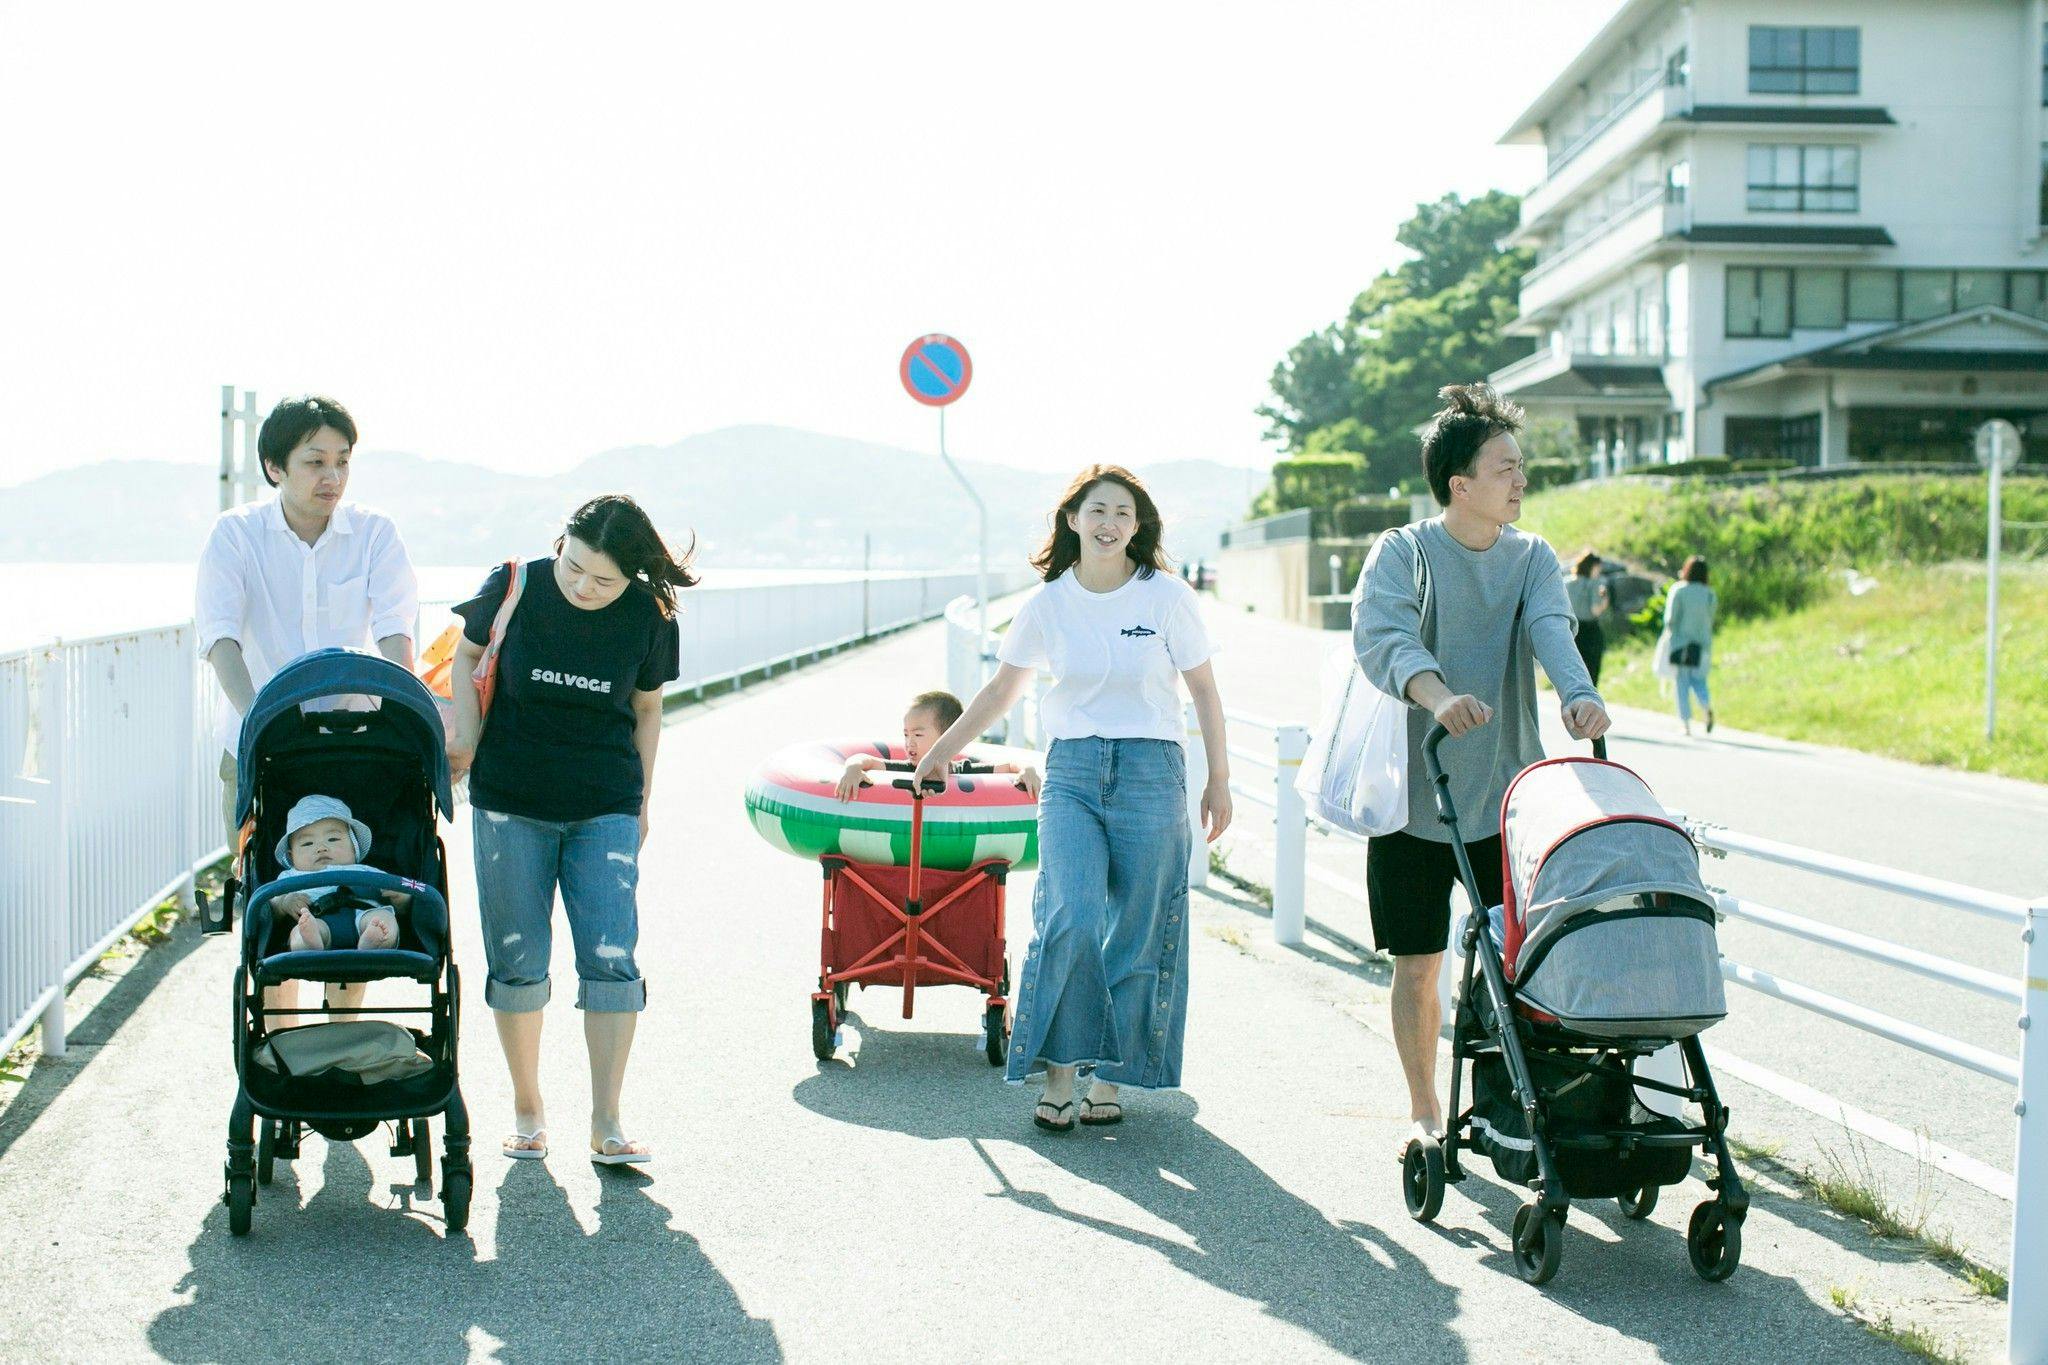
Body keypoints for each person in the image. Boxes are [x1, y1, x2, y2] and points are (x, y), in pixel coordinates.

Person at [912, 465, 1232, 1133]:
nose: (1109, 521)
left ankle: (1110, 1075)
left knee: (1141, 927)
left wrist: (1219, 779)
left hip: (1152, 768)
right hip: (1075, 773)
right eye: (1097, 510)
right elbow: (1003, 691)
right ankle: (1061, 1072)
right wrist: (942, 748)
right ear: (1073, 520)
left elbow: (1202, 689)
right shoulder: (1048, 603)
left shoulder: (1167, 598)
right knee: (1072, 915)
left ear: (1136, 526)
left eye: (1122, 511)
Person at [1353, 383, 1610, 1154]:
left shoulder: (1533, 558)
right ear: (1460, 482)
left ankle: (1516, 1104)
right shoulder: (1403, 552)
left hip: (1506, 800)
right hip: (1414, 798)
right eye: (1505, 468)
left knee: (1519, 962)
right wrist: (1436, 697)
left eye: (1520, 467)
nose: (1519, 480)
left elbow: (1551, 631)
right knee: (1418, 964)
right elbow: (1386, 638)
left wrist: (1580, 695)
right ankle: (1425, 1110)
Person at [447, 495, 690, 1166]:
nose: (584, 586)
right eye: (574, 566)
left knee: (612, 956)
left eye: (603, 580)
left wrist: (640, 801)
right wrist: (464, 734)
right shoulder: (514, 584)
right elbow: (464, 663)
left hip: (603, 802)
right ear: (560, 543)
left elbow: (647, 708)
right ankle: (528, 1108)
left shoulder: (648, 616)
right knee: (517, 960)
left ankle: (607, 1120)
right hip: (508, 801)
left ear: (633, 578)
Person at [195, 394, 418, 1015]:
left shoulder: (374, 533)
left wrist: (409, 713)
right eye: (316, 461)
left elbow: (397, 627)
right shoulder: (236, 535)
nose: (333, 477)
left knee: (355, 888)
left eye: (343, 462)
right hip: (259, 744)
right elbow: (220, 636)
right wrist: (260, 718)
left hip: (358, 744)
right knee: (275, 901)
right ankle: (283, 1043)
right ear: (275, 467)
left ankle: (341, 1040)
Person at [832, 689, 1041, 802]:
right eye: (906, 734)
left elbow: (1009, 766)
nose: (909, 742)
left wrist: (1028, 770)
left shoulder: (964, 772)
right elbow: (865, 760)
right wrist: (853, 768)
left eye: (918, 734)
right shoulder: (906, 770)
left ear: (949, 738)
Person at [269, 796, 410, 954]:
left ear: (354, 847)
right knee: (300, 931)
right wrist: (283, 903)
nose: (321, 848)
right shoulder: (290, 877)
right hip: (316, 919)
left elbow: (403, 895)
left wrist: (401, 899)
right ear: (291, 855)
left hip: (364, 916)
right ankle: (310, 943)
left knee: (384, 919)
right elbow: (270, 910)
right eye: (308, 843)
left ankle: (373, 941)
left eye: (333, 839)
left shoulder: (364, 871)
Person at [1665, 555, 1717, 736]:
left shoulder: (1679, 590)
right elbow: (1711, 618)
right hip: (1702, 645)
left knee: (1681, 683)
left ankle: (1685, 723)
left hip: (1681, 644)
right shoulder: (1710, 593)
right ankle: (1705, 704)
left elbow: (1670, 620)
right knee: (1699, 681)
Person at [1565, 550, 1611, 686]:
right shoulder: (1594, 584)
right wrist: (1604, 599)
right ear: (1593, 567)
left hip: (1571, 631)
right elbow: (1595, 610)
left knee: (1574, 675)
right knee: (1590, 675)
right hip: (1589, 632)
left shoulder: (1567, 583)